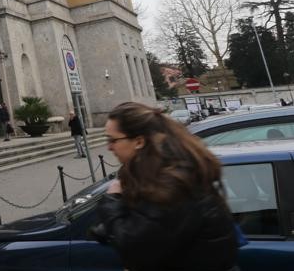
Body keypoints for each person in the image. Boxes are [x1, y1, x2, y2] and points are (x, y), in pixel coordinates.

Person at [89, 102, 238, 271]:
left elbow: (135, 248)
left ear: (139, 141)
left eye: (113, 140)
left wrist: (113, 200)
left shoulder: (173, 184)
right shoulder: (156, 173)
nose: (109, 147)